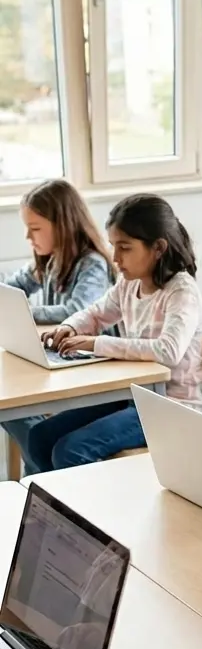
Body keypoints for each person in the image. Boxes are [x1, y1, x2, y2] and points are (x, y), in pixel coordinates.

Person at [28, 194, 202, 472]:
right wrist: (70, 326)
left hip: (174, 408)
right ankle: (60, 509)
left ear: (158, 248)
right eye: (114, 246)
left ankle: (83, 514)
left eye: (124, 248)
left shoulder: (181, 292)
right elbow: (95, 313)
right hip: (134, 397)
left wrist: (96, 343)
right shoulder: (129, 284)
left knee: (71, 451)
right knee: (39, 438)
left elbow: (168, 352)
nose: (115, 258)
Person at [2, 179, 114, 474]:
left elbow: (75, 311)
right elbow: (9, 289)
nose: (28, 236)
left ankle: (47, 479)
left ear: (62, 224)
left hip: (93, 371)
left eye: (35, 228)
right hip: (61, 363)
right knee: (7, 409)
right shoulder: (48, 262)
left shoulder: (92, 264)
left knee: (13, 409)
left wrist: (26, 311)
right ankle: (43, 476)